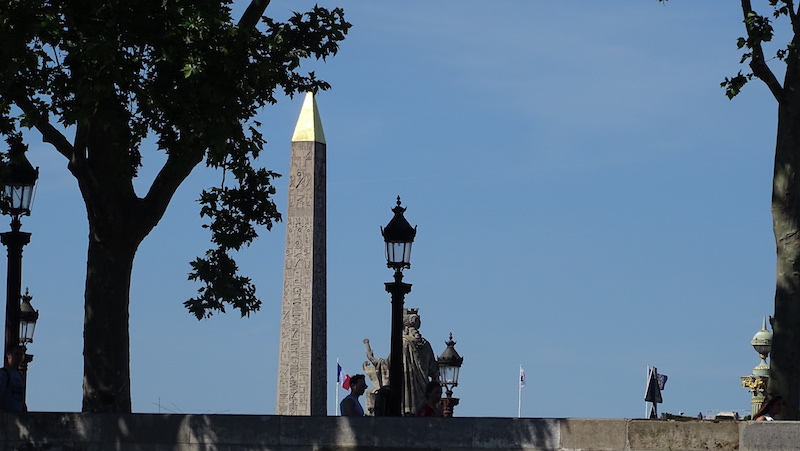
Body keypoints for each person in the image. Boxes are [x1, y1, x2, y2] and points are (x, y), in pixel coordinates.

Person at [0, 345, 27, 412]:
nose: (19, 357)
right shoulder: (4, 374)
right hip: (7, 415)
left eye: (21, 354)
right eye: (16, 354)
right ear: (8, 355)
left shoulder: (20, 376)